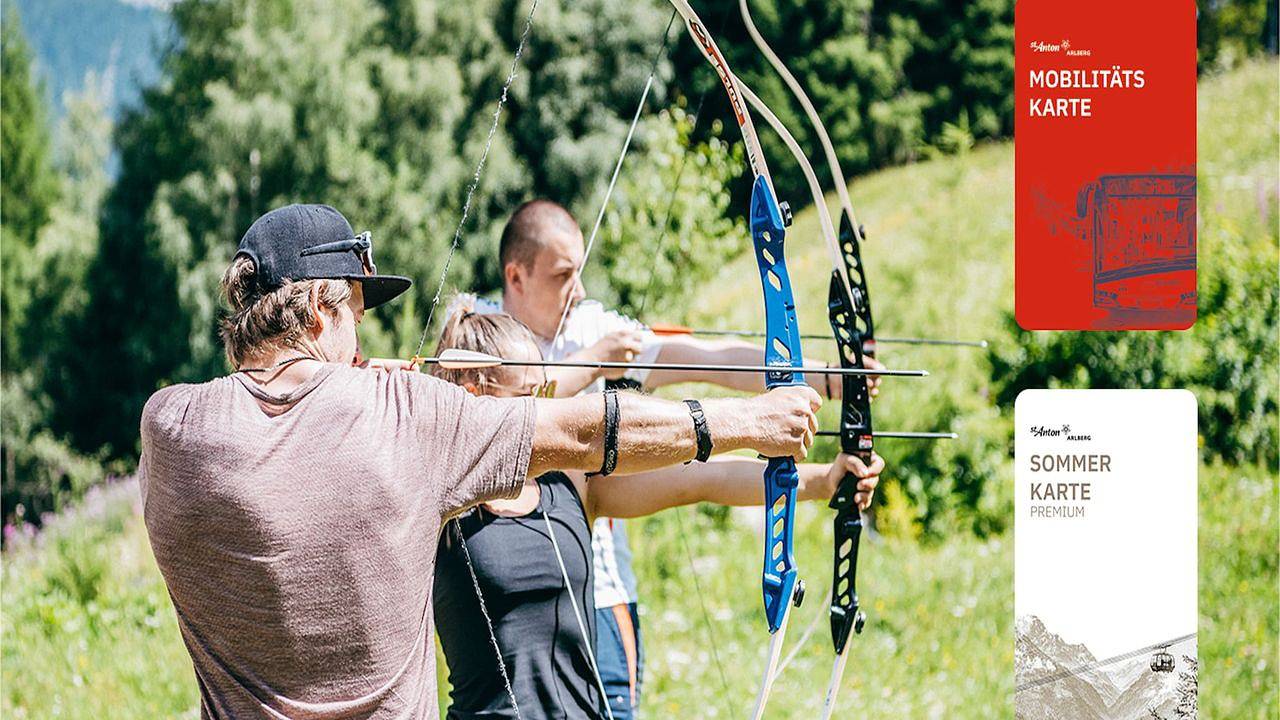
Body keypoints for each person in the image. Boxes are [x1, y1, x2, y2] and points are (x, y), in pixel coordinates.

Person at [138, 203, 822, 720]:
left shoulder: (169, 426)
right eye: (355, 313)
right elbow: (584, 432)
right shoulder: (401, 412)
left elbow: (277, 418)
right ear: (320, 310)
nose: (360, 339)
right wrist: (747, 421)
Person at [457, 199, 882, 717]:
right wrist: (590, 367)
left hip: (595, 586)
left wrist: (831, 382)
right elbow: (500, 424)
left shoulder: (593, 344)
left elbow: (702, 381)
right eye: (564, 275)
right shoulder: (475, 344)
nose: (580, 290)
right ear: (515, 276)